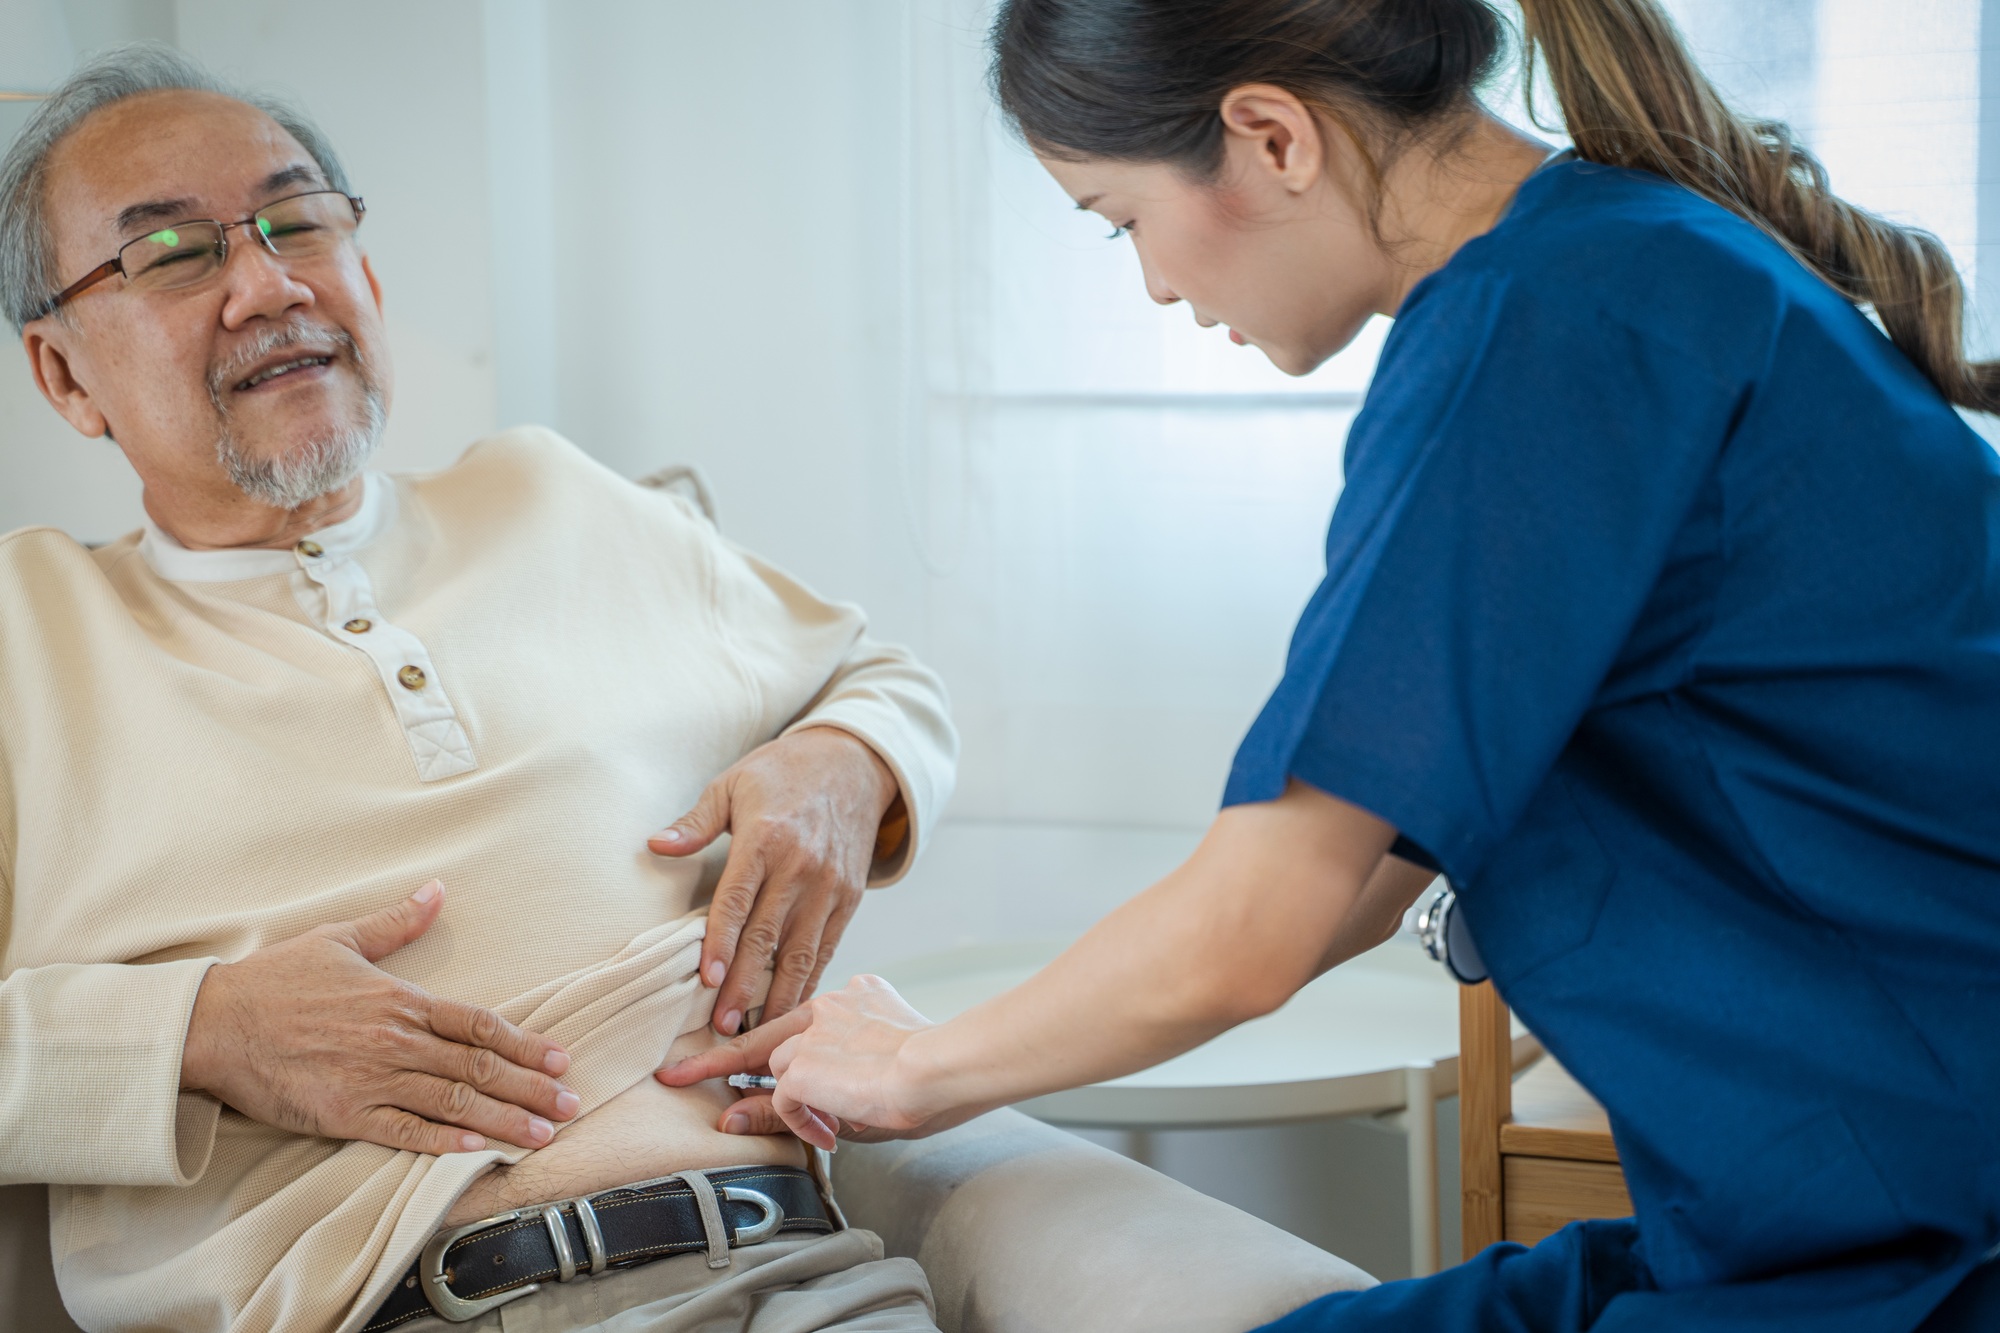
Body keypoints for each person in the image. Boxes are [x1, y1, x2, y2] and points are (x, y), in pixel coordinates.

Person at [668, 1, 2000, 1329]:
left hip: (1915, 1241)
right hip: (1837, 1200)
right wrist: (944, 1044)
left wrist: (915, 1074)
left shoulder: (1538, 333)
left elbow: (1256, 929)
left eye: (1120, 219)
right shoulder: (1617, 262)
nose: (1155, 287)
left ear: (1269, 136)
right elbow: (1365, 865)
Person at [0, 45, 956, 1333]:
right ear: (63, 376)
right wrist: (198, 1031)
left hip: (794, 1277)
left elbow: (874, 675)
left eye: (300, 224)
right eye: (174, 254)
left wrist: (846, 764)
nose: (268, 285)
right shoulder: (27, 635)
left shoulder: (554, 497)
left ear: (368, 278)